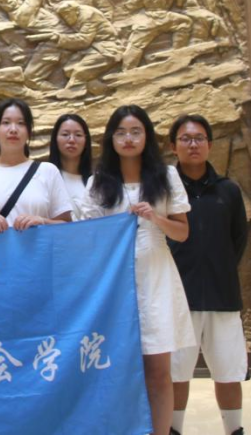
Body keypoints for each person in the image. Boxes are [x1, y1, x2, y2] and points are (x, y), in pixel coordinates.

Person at [79, 105, 194, 436]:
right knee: (115, 367)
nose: (128, 139)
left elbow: (183, 233)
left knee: (158, 370)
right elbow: (87, 237)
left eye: (135, 132)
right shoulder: (98, 182)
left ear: (147, 136)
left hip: (156, 276)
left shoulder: (166, 176)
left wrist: (155, 218)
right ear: (110, 139)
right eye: (120, 133)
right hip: (113, 282)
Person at [168, 115, 249, 436]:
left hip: (222, 297)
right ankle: (173, 430)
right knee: (177, 373)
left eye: (199, 138)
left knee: (229, 372)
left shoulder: (228, 190)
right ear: (173, 146)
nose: (193, 144)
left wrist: (218, 268)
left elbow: (238, 239)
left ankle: (234, 429)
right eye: (186, 139)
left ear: (210, 145)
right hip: (178, 299)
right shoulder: (164, 189)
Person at [0, 98, 72, 232]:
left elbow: (67, 227)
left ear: (29, 132)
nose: (13, 129)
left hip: (38, 246)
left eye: (20, 123)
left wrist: (42, 221)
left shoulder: (48, 171)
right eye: (6, 122)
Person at [47, 113, 93, 218]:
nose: (71, 140)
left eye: (78, 135)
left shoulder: (95, 182)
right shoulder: (46, 177)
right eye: (65, 134)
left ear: (86, 141)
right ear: (55, 139)